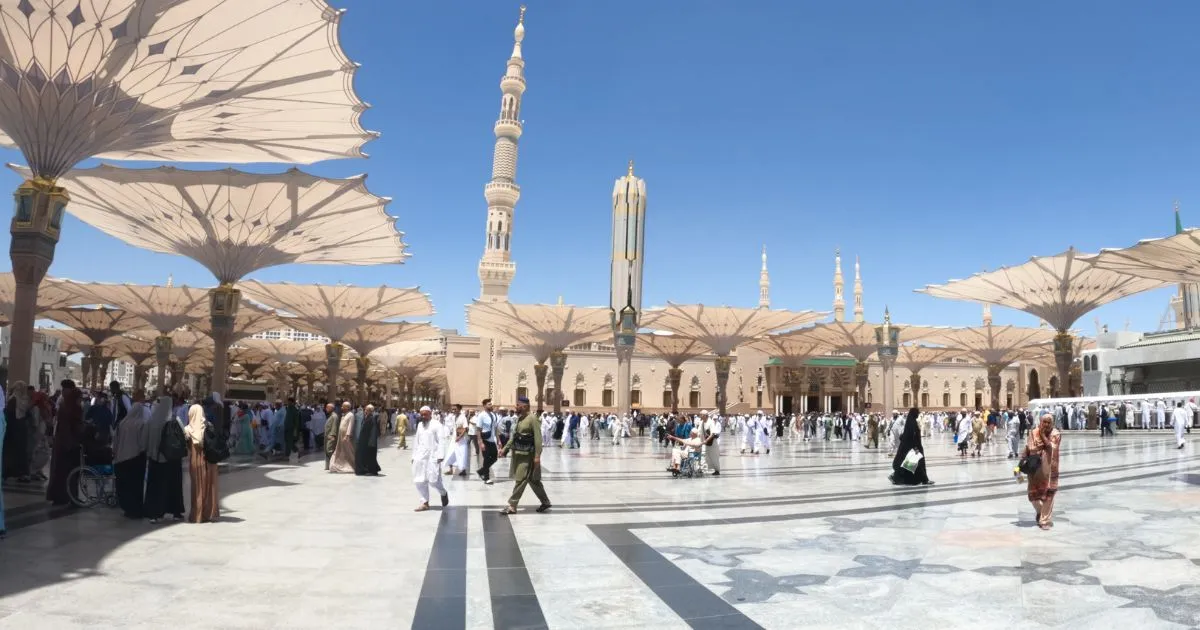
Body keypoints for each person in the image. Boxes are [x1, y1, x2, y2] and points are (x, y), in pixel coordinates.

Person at [499, 396, 550, 515]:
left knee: (520, 479)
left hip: (528, 456)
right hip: (518, 453)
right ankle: (545, 502)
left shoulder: (533, 419)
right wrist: (505, 449)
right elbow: (514, 437)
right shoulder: (520, 419)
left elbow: (538, 439)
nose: (515, 407)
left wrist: (537, 456)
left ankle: (512, 505)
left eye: (518, 405)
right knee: (533, 480)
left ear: (525, 406)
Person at [144, 395, 185, 524]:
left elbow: (145, 440)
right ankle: (175, 512)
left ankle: (154, 514)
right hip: (171, 460)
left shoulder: (151, 421)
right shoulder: (174, 421)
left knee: (155, 487)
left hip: (155, 459)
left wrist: (149, 452)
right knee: (173, 486)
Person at [47, 381, 83, 506]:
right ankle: (70, 497)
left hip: (62, 444)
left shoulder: (64, 405)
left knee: (60, 471)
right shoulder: (73, 408)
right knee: (70, 472)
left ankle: (60, 497)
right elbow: (73, 427)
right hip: (69, 445)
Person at [112, 399, 149, 519]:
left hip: (121, 459)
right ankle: (136, 509)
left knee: (124, 486)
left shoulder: (122, 423)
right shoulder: (141, 424)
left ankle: (126, 508)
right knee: (135, 486)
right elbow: (143, 443)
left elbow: (115, 442)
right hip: (136, 459)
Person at [1025, 413, 1062, 530]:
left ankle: (1044, 519)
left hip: (1050, 468)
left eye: (1049, 422)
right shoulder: (1033, 432)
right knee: (1033, 495)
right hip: (1035, 468)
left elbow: (1051, 447)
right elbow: (1028, 448)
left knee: (1049, 494)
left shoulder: (1055, 434)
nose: (1046, 424)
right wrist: (1020, 463)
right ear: (1040, 422)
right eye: (1044, 422)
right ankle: (1040, 511)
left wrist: (1042, 435)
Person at [184, 403, 219, 523]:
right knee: (209, 486)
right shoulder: (208, 426)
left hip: (195, 461)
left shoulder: (188, 429)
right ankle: (208, 513)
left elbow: (186, 446)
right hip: (209, 461)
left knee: (197, 488)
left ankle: (197, 515)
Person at [412, 406, 448, 511]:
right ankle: (424, 502)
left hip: (433, 456)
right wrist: (414, 456)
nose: (423, 416)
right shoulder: (419, 425)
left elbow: (442, 440)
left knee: (433, 481)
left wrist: (441, 455)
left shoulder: (437, 425)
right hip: (421, 456)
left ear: (430, 413)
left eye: (425, 414)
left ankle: (443, 492)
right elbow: (416, 441)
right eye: (421, 414)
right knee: (419, 480)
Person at [890, 408, 932, 486]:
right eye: (917, 413)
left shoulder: (910, 422)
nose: (918, 414)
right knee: (918, 463)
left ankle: (895, 477)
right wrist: (916, 448)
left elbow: (904, 436)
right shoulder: (912, 423)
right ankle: (925, 480)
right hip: (913, 448)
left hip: (910, 447)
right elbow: (911, 437)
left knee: (910, 465)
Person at [3, 381, 34, 482]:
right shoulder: (24, 400)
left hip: (13, 427)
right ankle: (21, 473)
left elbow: (8, 414)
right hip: (21, 427)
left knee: (11, 451)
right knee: (20, 451)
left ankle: (8, 473)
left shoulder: (13, 399)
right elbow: (28, 413)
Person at [475, 398, 499, 484]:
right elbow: (478, 430)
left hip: (492, 440)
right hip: (485, 440)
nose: (491, 405)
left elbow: (495, 428)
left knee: (495, 457)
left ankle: (482, 471)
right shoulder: (482, 415)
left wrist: (498, 440)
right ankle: (486, 477)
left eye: (491, 404)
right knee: (486, 458)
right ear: (484, 406)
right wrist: (480, 442)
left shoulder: (493, 415)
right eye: (489, 404)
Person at [329, 402, 357, 473]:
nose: (341, 408)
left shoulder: (351, 415)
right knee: (340, 451)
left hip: (345, 437)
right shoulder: (345, 415)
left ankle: (353, 465)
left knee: (348, 452)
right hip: (341, 436)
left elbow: (350, 425)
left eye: (343, 406)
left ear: (347, 407)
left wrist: (347, 435)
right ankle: (338, 464)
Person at [354, 404, 382, 476]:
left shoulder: (372, 419)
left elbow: (373, 431)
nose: (365, 410)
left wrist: (371, 442)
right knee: (364, 455)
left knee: (368, 456)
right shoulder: (367, 417)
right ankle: (365, 469)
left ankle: (368, 470)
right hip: (364, 440)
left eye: (366, 409)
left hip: (368, 441)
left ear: (369, 411)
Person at [283, 397, 301, 463]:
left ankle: (287, 456)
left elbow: (296, 422)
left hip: (291, 429)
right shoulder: (288, 409)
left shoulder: (295, 410)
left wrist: (295, 430)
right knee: (288, 442)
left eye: (289, 402)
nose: (288, 403)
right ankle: (297, 451)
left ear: (292, 402)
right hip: (286, 428)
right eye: (288, 402)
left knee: (289, 442)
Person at [322, 403, 338, 470]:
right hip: (327, 436)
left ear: (331, 408)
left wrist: (332, 435)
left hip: (330, 436)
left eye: (327, 408)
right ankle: (328, 466)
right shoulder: (330, 415)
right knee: (326, 450)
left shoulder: (334, 416)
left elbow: (334, 426)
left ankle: (333, 465)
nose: (326, 409)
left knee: (329, 450)